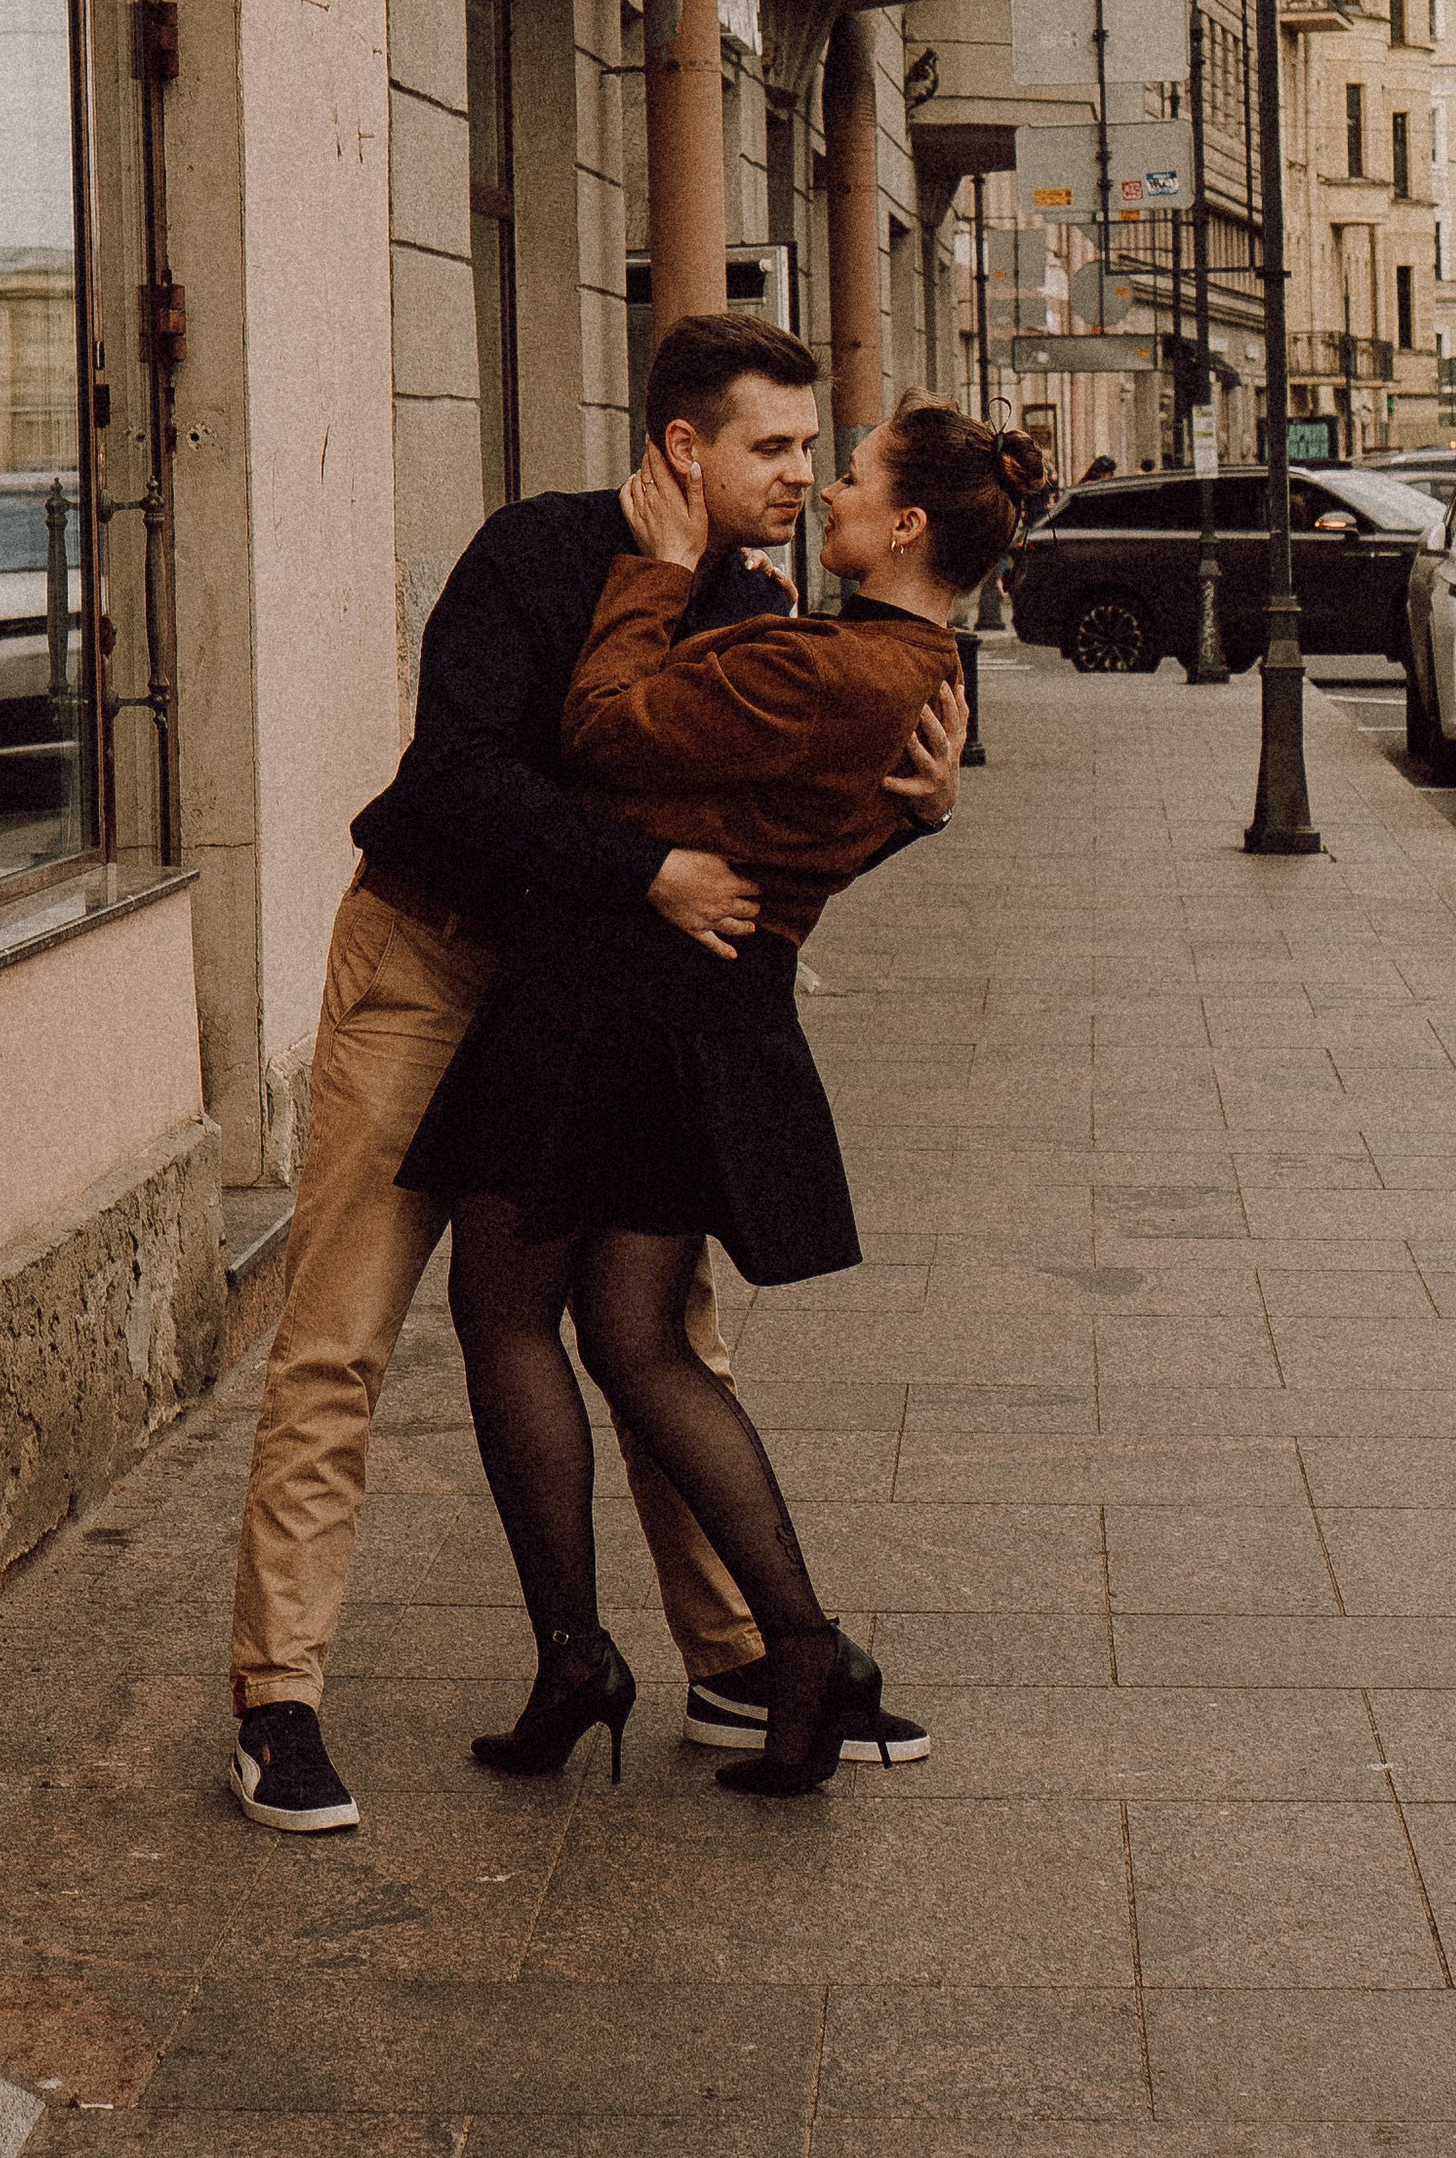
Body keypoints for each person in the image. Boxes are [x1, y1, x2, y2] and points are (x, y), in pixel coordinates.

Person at [226, 315, 963, 1835]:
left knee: (660, 1333)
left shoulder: (759, 601)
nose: (799, 476)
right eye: (774, 447)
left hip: (585, 997)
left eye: (816, 451)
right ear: (684, 447)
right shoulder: (538, 555)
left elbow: (762, 830)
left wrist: (906, 815)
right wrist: (643, 874)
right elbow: (463, 775)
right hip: (431, 963)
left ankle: (737, 1662)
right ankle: (276, 1696)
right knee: (340, 1335)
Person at [400, 399, 1050, 1796]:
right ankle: (799, 1656)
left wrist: (644, 569)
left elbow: (603, 728)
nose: (828, 494)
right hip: (692, 1016)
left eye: (855, 477)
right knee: (637, 1341)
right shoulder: (923, 672)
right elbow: (806, 842)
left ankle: (594, 1654)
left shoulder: (834, 666)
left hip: (605, 1002)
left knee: (507, 1314)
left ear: (910, 525)